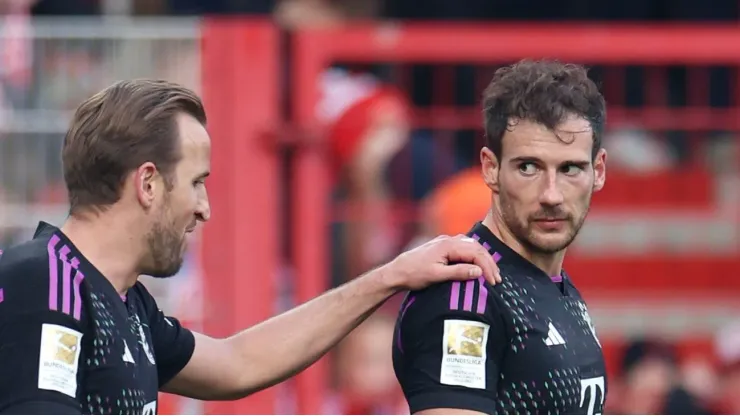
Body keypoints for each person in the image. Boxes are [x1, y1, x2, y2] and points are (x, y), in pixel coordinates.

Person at [0, 79, 501, 415]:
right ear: (148, 184)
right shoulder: (45, 281)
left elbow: (238, 363)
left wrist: (391, 276)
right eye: (196, 183)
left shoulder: (126, 303)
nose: (204, 208)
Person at [392, 59, 609, 415]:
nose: (551, 194)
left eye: (570, 168)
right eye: (528, 167)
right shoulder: (464, 295)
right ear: (490, 169)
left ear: (598, 171)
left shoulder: (556, 287)